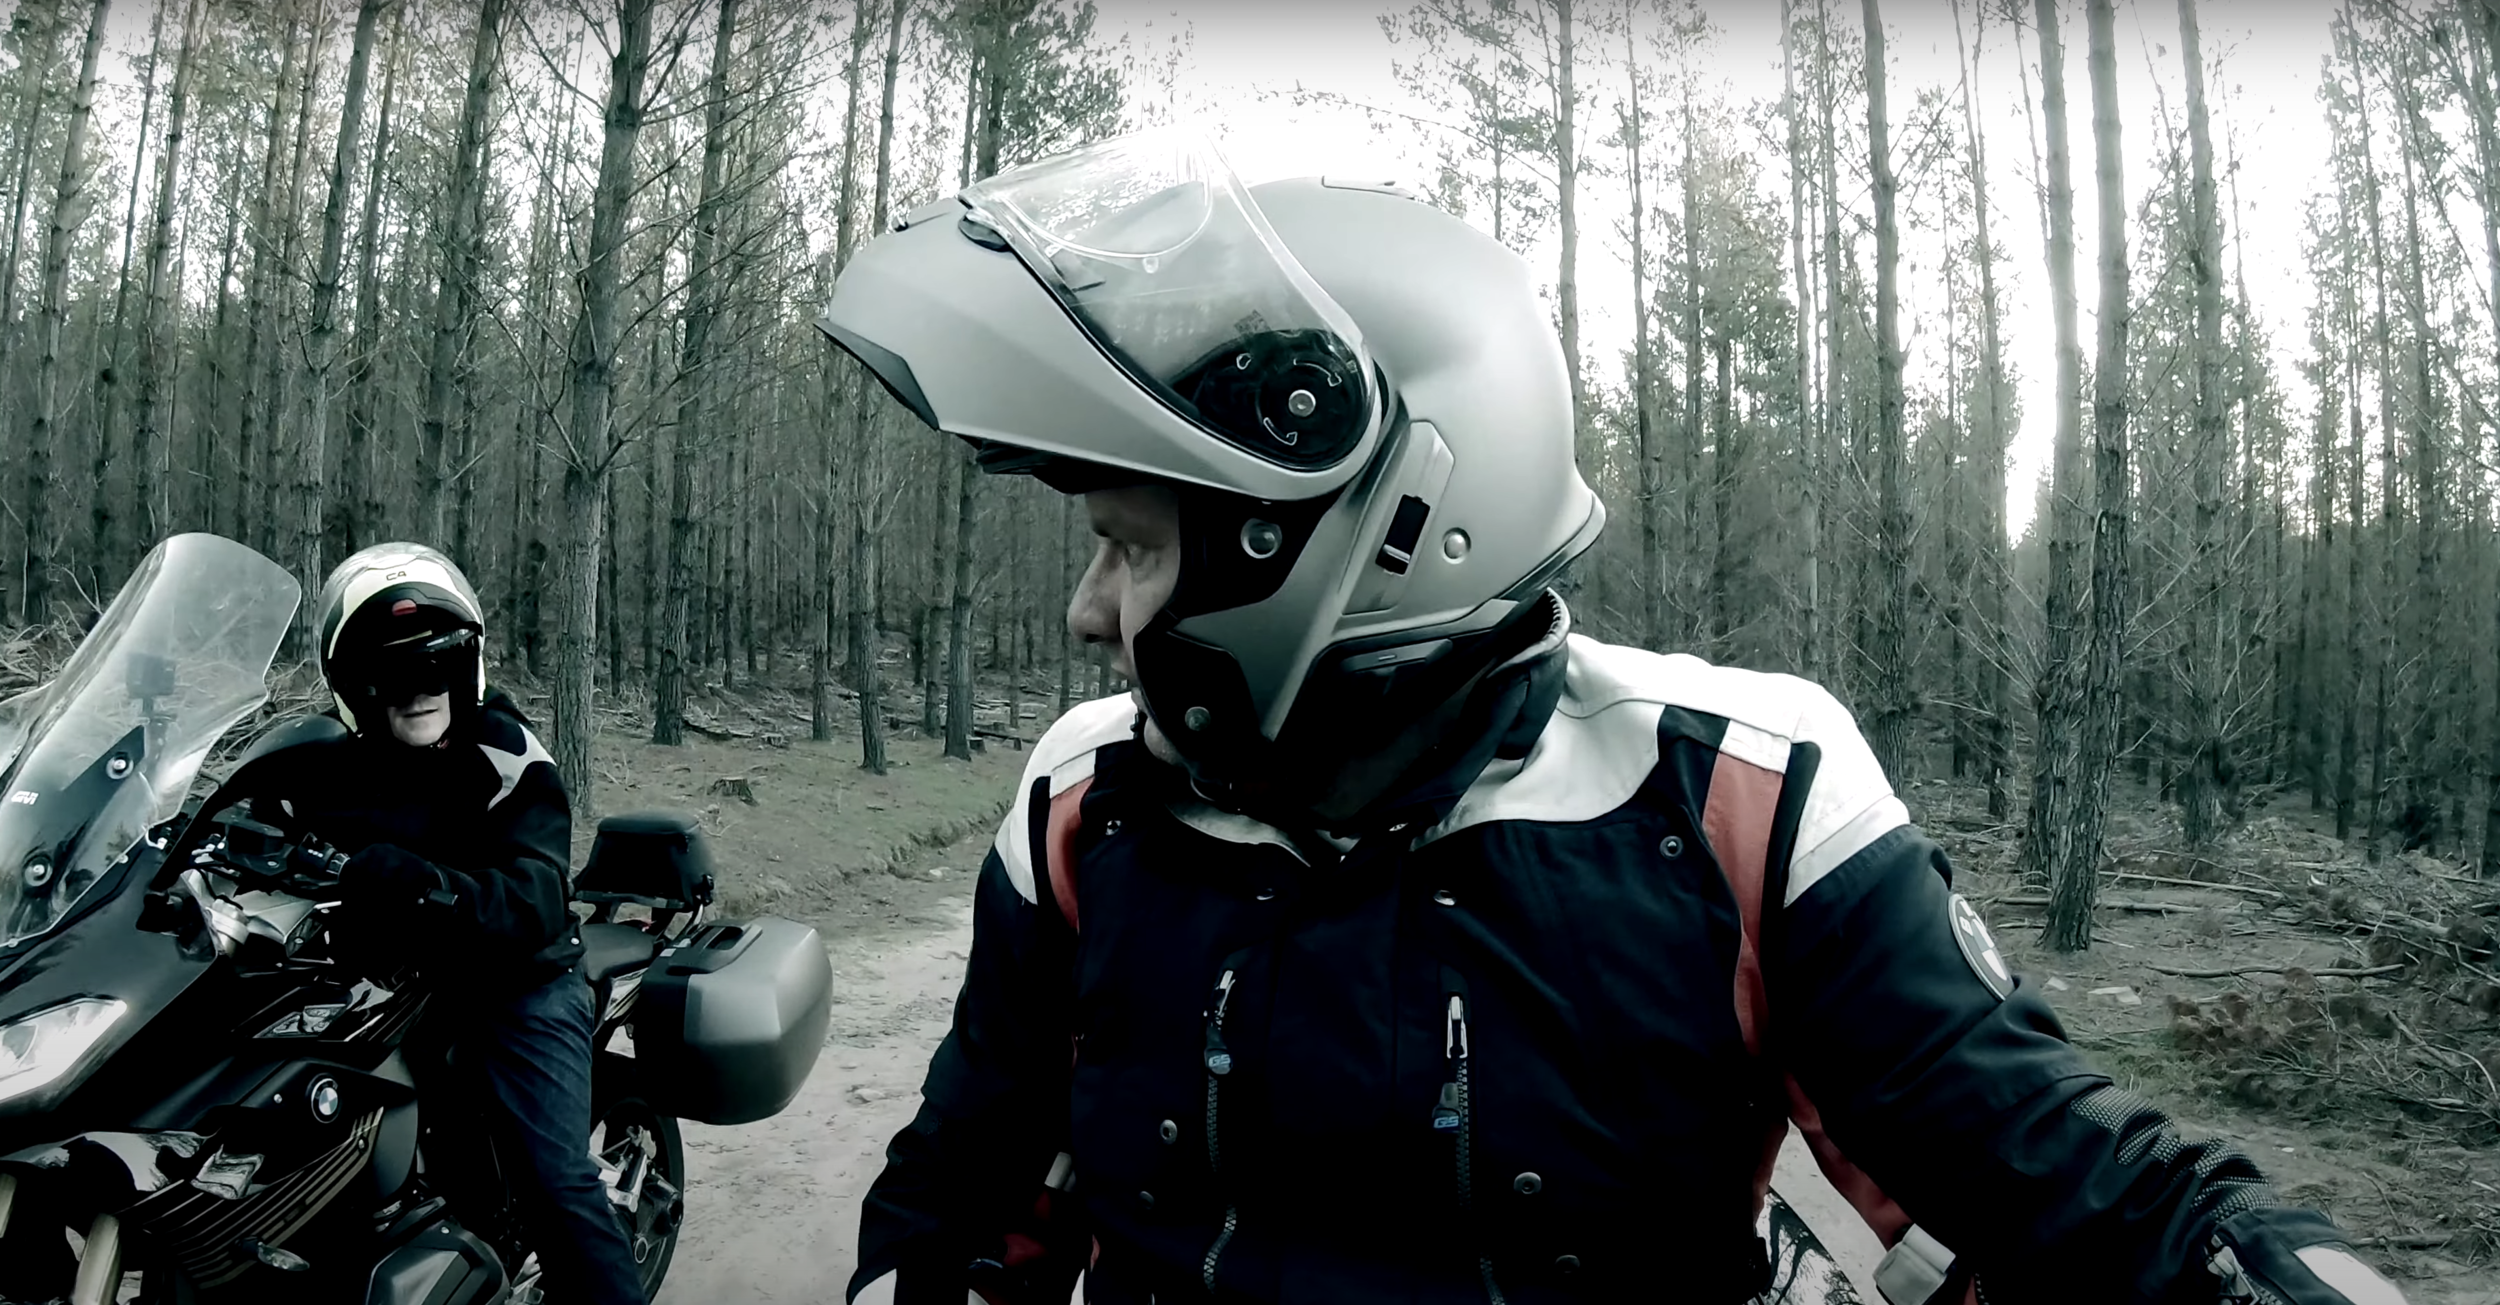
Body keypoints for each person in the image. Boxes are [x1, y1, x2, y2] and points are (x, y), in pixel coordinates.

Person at [818, 131, 2407, 1305]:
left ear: (1363, 537)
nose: (1089, 610)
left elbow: (2051, 1169)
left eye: (1128, 545)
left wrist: (2265, 1269)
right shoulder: (1089, 801)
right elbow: (965, 1196)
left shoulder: (1736, 795)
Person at [294, 542, 650, 1305]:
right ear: (354, 685)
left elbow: (537, 893)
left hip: (518, 982)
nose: (419, 689)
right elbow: (250, 808)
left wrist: (427, 888)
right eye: (391, 672)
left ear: (467, 665)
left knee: (556, 1182)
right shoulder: (327, 757)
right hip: (388, 983)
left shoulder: (506, 751)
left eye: (437, 664)